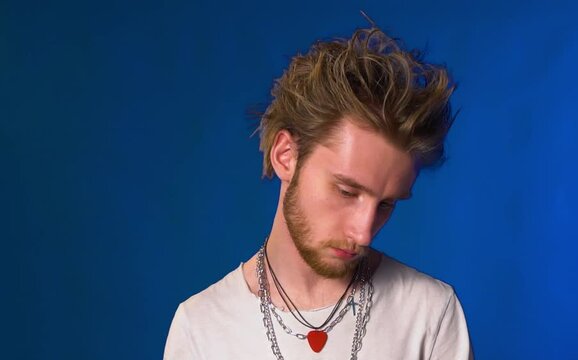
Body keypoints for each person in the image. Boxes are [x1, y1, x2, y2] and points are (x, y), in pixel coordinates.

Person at [164, 25, 473, 359]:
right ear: (286, 156)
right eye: (346, 191)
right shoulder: (201, 327)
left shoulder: (430, 313)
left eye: (386, 204)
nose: (364, 233)